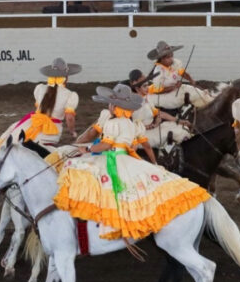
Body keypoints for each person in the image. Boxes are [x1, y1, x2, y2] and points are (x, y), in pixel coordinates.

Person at [53, 83, 211, 240]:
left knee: (82, 172)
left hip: (113, 157)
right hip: (128, 158)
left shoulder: (112, 123)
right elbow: (146, 146)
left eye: (110, 104)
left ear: (114, 107)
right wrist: (154, 164)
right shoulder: (134, 125)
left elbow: (106, 145)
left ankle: (98, 221)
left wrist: (86, 150)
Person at [0, 57, 81, 170]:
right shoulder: (70, 95)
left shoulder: (40, 88)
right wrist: (72, 131)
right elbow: (69, 118)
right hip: (51, 129)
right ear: (66, 77)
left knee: (13, 138)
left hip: (32, 123)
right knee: (45, 150)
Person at [129, 69, 192, 148]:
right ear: (137, 89)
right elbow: (135, 127)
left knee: (181, 126)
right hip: (144, 135)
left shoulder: (146, 98)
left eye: (147, 85)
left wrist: (179, 121)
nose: (148, 88)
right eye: (145, 86)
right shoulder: (135, 104)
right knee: (179, 132)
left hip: (154, 128)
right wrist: (154, 125)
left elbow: (159, 113)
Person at [147, 41, 215, 110]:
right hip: (165, 94)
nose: (171, 59)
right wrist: (174, 87)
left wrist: (190, 80)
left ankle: (212, 102)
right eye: (168, 58)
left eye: (172, 56)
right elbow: (158, 91)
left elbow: (182, 72)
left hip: (177, 87)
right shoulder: (158, 72)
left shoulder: (174, 63)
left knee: (196, 91)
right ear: (162, 59)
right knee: (181, 99)